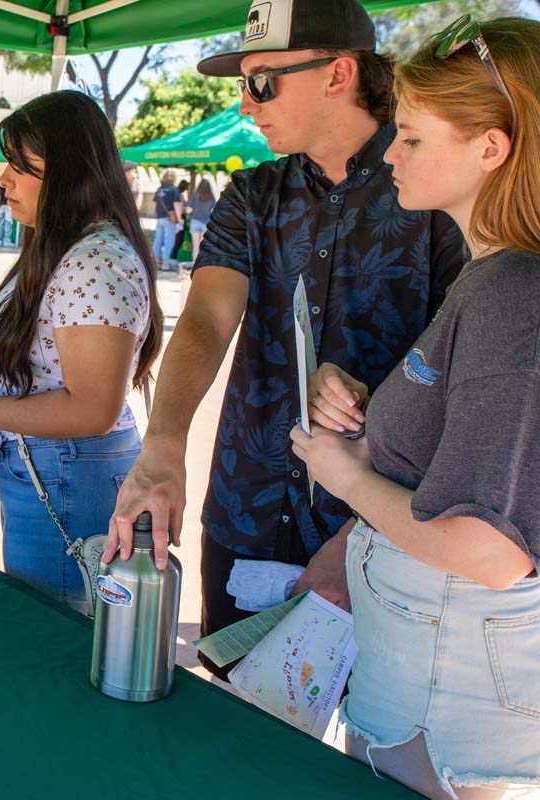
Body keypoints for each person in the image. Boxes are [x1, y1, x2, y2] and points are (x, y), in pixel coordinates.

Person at [107, 0, 468, 681]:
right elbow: (209, 319)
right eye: (241, 83)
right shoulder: (253, 193)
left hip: (391, 527)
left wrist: (363, 530)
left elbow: (461, 380)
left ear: (337, 74)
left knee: (370, 765)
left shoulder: (436, 194)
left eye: (263, 81)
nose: (247, 103)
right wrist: (162, 445)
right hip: (246, 510)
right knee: (234, 738)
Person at [290, 17, 540, 799]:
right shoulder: (487, 277)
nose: (390, 154)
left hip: (444, 717)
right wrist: (370, 420)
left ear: (491, 149)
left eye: (413, 138)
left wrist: (344, 475)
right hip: (420, 693)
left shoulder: (513, 296)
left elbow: (491, 550)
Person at [0, 91, 163, 615]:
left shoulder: (95, 261)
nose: (1, 180)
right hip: (54, 471)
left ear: (69, 171)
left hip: (67, 474)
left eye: (20, 166)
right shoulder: (69, 248)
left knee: (57, 643)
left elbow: (92, 408)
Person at [151, 170, 183, 271]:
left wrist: (158, 215)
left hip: (160, 218)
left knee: (158, 241)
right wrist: (179, 218)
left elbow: (155, 204)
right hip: (170, 219)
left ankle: (154, 263)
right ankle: (165, 264)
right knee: (169, 241)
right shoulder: (174, 189)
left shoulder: (159, 189)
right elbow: (176, 204)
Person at [186, 178, 216, 261]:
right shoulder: (211, 196)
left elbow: (189, 210)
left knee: (195, 246)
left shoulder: (194, 195)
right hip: (206, 223)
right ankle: (201, 265)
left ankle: (194, 265)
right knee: (203, 246)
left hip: (195, 222)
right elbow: (213, 211)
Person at [0, 181, 14, 247]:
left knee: (0, 222)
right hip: (8, 204)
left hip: (1, 203)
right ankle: (6, 240)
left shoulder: (0, 182)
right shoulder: (11, 182)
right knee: (8, 222)